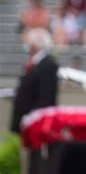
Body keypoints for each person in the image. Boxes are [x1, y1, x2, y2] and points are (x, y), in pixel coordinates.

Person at [10, 28, 58, 174]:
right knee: (30, 162)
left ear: (36, 44)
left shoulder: (48, 65)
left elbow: (46, 98)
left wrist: (34, 120)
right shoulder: (33, 64)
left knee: (38, 163)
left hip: (37, 124)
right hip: (27, 123)